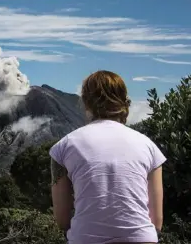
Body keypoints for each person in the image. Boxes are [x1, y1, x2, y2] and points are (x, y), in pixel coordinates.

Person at [49, 70, 166, 244]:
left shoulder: (63, 148)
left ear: (85, 101)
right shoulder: (149, 147)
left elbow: (62, 220)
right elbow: (156, 221)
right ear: (124, 100)